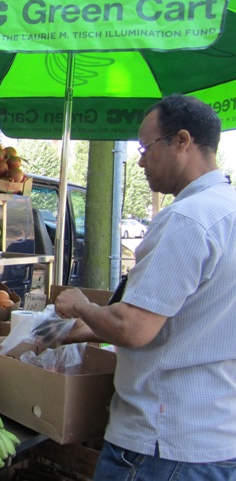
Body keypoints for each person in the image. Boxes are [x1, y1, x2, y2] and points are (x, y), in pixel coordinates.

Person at [55, 94, 236, 481]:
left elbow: (132, 328)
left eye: (145, 148)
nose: (140, 161)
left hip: (161, 444)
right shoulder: (228, 209)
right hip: (219, 437)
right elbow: (191, 318)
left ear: (182, 141)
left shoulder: (188, 218)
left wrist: (80, 304)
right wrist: (91, 328)